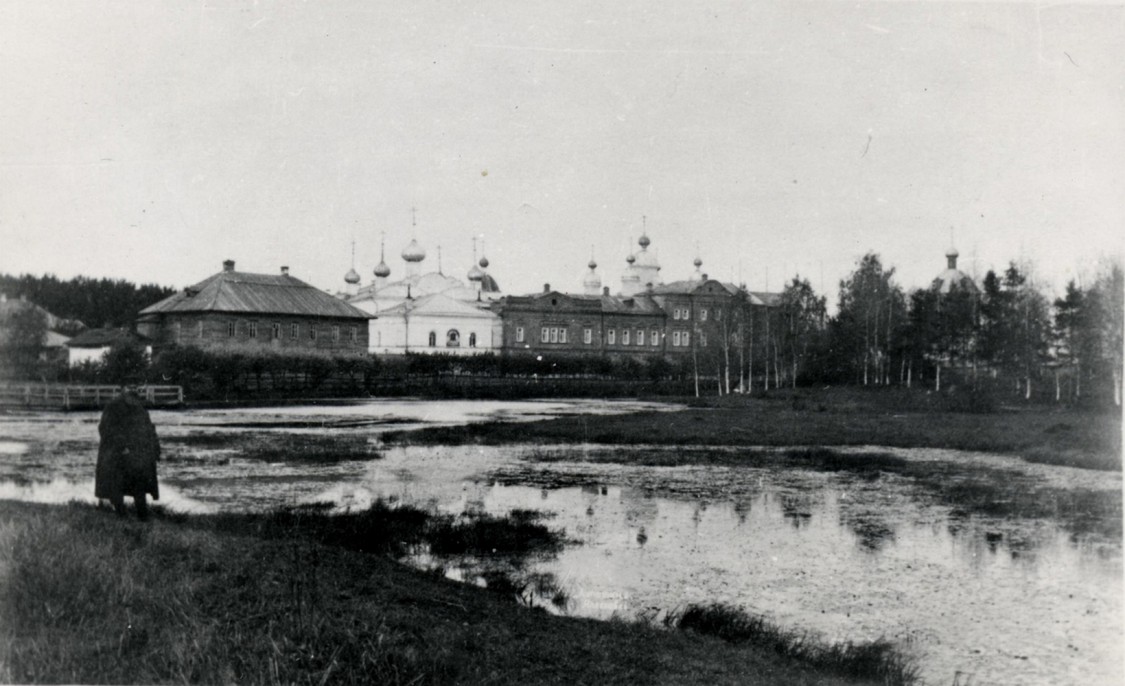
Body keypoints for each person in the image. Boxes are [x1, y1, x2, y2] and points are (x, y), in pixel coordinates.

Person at [95, 385, 160, 520]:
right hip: (118, 455)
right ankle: (121, 514)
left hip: (138, 455)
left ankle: (142, 516)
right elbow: (105, 429)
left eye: (136, 386)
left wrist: (155, 447)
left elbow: (149, 428)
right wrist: (121, 447)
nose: (134, 389)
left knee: (139, 485)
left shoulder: (140, 407)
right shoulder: (113, 407)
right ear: (122, 389)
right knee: (117, 485)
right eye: (130, 386)